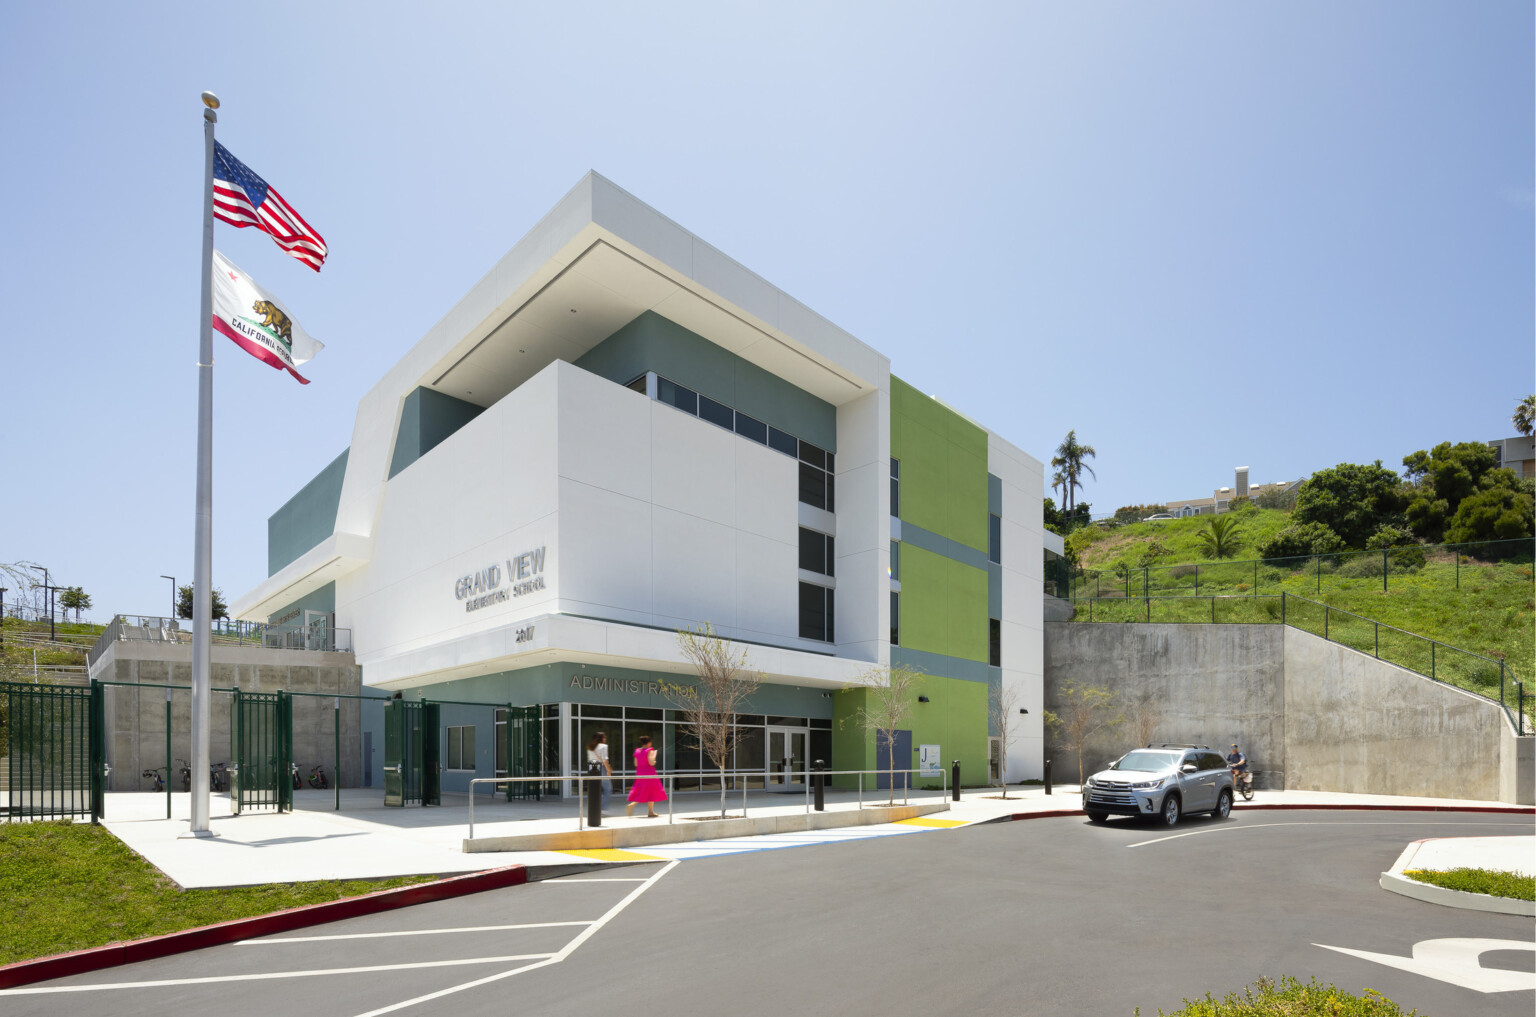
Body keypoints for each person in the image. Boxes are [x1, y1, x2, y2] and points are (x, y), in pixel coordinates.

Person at [626, 735, 666, 818]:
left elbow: (636, 764)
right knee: (650, 791)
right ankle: (634, 805)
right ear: (649, 743)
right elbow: (651, 763)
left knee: (642, 790)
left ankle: (650, 812)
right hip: (649, 773)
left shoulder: (637, 751)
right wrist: (654, 758)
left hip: (640, 773)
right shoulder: (650, 750)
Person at [586, 732, 612, 814]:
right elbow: (604, 759)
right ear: (601, 738)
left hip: (592, 768)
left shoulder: (590, 747)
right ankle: (602, 808)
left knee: (595, 790)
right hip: (601, 768)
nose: (605, 739)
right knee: (607, 789)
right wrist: (608, 770)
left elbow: (590, 759)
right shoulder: (603, 746)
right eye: (604, 737)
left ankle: (594, 808)